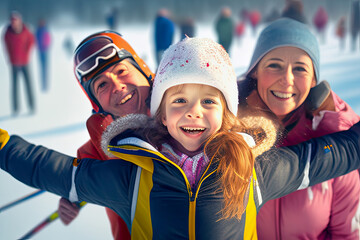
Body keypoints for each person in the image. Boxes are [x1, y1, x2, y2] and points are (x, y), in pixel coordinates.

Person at [1, 37, 360, 239]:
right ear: (164, 112)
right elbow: (53, 169)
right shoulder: (132, 175)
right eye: (179, 102)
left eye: (208, 102)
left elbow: (330, 156)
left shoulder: (252, 169)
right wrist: (76, 196)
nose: (193, 111)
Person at [237, 18, 360, 239]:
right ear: (254, 72)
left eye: (300, 68)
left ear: (313, 80)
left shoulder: (335, 141)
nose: (287, 79)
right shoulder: (225, 135)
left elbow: (347, 234)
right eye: (274, 65)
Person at [57, 31, 154, 240]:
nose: (117, 86)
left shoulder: (188, 111)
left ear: (142, 69)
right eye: (102, 85)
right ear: (96, 104)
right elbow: (82, 180)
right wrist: (72, 199)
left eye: (121, 70)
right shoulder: (94, 152)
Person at [3, 11, 35, 115]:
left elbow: (31, 41)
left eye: (15, 21)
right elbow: (6, 45)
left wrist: (26, 53)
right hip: (14, 62)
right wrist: (10, 56)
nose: (14, 24)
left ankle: (31, 106)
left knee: (28, 84)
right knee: (14, 86)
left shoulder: (26, 30)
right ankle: (15, 108)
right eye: (12, 22)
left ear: (19, 21)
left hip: (25, 61)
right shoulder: (7, 32)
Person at [35, 18, 51, 92]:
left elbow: (49, 39)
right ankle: (43, 85)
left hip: (45, 51)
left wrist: (46, 45)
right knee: (41, 68)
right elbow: (35, 39)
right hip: (40, 51)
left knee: (45, 68)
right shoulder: (37, 30)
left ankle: (46, 85)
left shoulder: (45, 30)